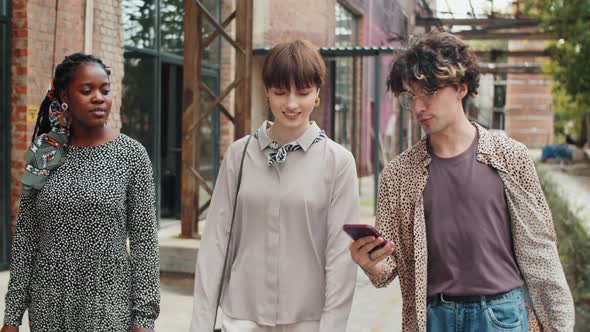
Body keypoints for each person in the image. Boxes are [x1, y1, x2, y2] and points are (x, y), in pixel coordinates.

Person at [349, 32, 575, 332]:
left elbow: (540, 251)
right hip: (434, 318)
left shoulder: (510, 157)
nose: (418, 107)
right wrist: (369, 262)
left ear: (461, 88)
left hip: (502, 315)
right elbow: (387, 270)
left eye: (429, 92)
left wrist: (559, 325)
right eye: (411, 96)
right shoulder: (399, 174)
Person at [190, 40, 359, 332]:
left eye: (303, 92)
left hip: (308, 319)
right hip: (242, 316)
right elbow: (215, 244)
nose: (291, 104)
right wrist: (201, 324)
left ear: (318, 93)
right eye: (280, 92)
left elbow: (341, 258)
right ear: (267, 93)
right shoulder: (239, 155)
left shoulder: (338, 162)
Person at [2, 53, 160, 332]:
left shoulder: (132, 155)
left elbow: (144, 242)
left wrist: (144, 319)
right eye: (87, 91)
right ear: (64, 95)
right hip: (49, 308)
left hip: (108, 306)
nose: (99, 98)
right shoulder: (45, 153)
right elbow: (26, 238)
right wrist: (12, 317)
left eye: (105, 90)